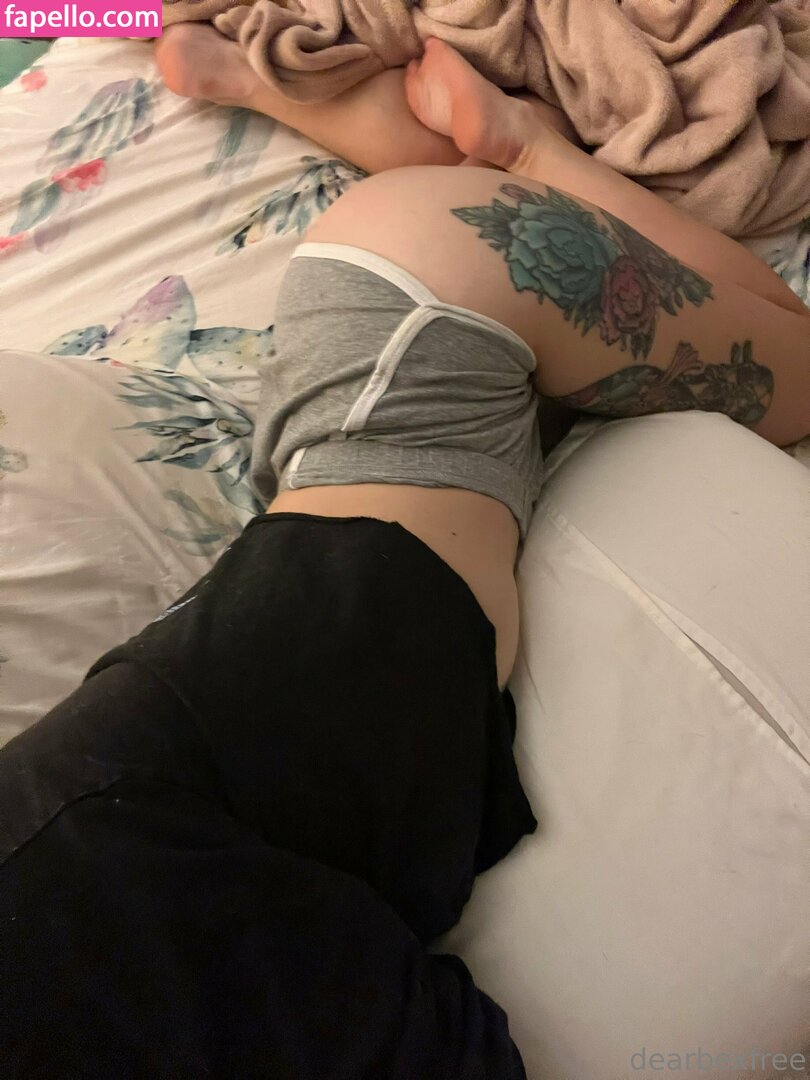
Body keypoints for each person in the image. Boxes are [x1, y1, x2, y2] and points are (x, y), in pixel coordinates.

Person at [2, 35, 808, 1080]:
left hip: (408, 346)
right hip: (351, 474)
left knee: (781, 356)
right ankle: (367, 112)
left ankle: (498, 145)